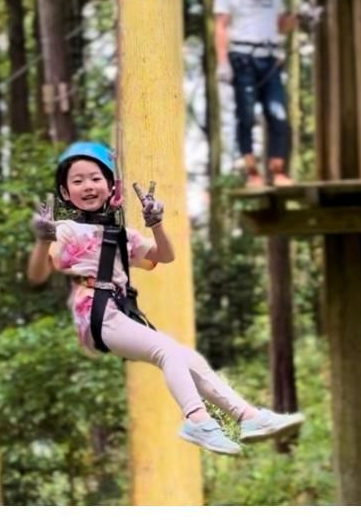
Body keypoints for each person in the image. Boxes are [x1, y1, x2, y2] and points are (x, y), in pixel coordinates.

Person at [27, 141, 305, 456]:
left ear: (110, 186)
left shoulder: (122, 235)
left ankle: (247, 417)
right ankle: (197, 420)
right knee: (167, 351)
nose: (87, 186)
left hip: (116, 313)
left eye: (95, 178)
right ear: (65, 193)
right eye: (77, 181)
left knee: (189, 359)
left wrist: (156, 224)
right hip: (93, 313)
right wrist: (42, 239)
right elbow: (39, 274)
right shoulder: (66, 231)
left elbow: (165, 255)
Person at [214, 0, 298, 187]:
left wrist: (297, 18)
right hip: (242, 58)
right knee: (246, 116)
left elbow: (280, 24)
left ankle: (278, 170)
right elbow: (221, 26)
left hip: (270, 57)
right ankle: (252, 173)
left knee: (278, 115)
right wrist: (222, 63)